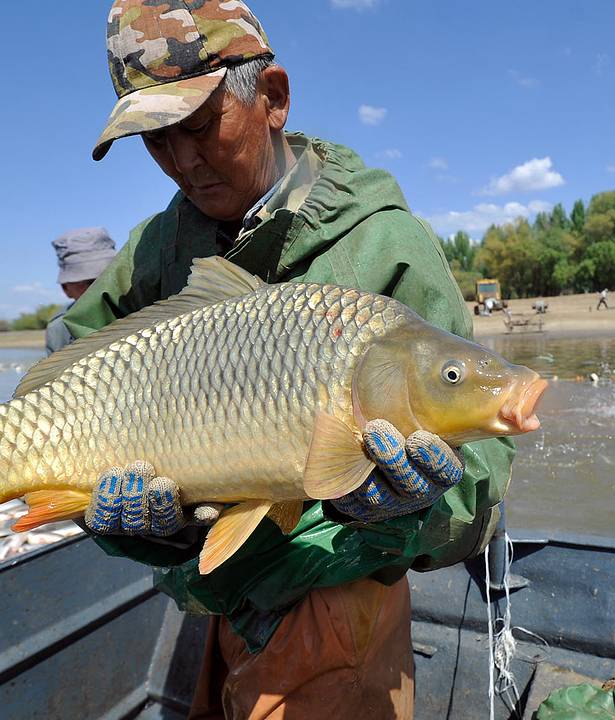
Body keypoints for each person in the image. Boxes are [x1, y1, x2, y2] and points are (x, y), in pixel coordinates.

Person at [61, 2, 515, 716]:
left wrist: (411, 510)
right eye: (155, 138)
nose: (181, 160)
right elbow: (66, 376)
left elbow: (480, 479)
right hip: (206, 595)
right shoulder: (156, 247)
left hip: (331, 601)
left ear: (271, 97)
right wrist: (145, 528)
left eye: (199, 126)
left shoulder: (385, 246)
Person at [44, 227, 116, 354]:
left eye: (107, 277)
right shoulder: (60, 330)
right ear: (66, 288)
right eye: (90, 282)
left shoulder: (147, 306)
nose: (101, 288)